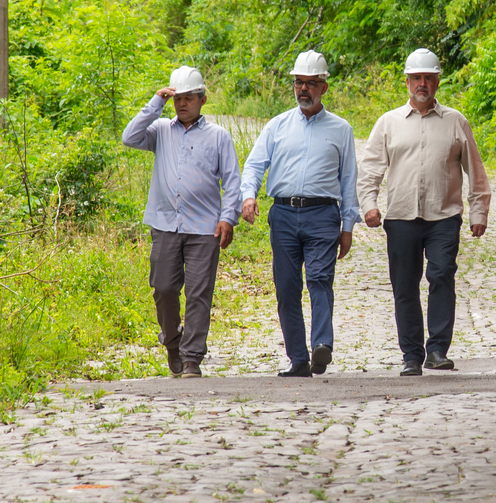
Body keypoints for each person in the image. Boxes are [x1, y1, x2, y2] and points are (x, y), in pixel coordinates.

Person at [358, 48, 491, 377]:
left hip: (444, 216)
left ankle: (437, 350)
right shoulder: (388, 123)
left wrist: (478, 212)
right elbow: (370, 169)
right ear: (406, 82)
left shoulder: (455, 121)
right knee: (404, 285)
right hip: (401, 217)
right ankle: (412, 355)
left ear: (437, 81)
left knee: (441, 274)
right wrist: (369, 205)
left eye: (428, 78)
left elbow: (475, 170)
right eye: (416, 78)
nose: (422, 84)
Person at [240, 50, 360, 378]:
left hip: (323, 215)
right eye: (298, 83)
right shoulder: (276, 126)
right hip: (282, 214)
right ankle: (298, 359)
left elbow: (349, 179)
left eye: (310, 83)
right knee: (287, 287)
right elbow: (254, 165)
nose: (303, 89)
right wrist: (248, 195)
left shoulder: (341, 129)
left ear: (324, 87)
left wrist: (347, 225)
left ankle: (322, 345)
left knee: (320, 279)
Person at [122, 66, 242, 379]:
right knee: (163, 288)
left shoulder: (218, 137)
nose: (182, 104)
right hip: (164, 224)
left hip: (204, 227)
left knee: (199, 293)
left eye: (189, 98)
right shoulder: (160, 130)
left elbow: (232, 181)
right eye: (177, 98)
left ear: (203, 99)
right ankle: (173, 343)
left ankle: (192, 358)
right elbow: (129, 137)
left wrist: (228, 218)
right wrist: (156, 101)